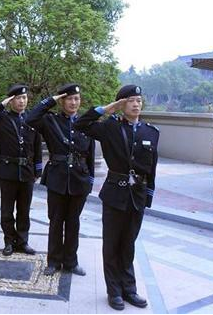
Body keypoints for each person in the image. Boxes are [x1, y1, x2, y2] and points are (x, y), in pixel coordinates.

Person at [74, 84, 159, 311]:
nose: (135, 104)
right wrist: (108, 108)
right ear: (122, 104)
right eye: (130, 100)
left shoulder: (151, 132)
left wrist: (148, 195)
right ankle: (114, 291)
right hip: (115, 193)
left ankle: (129, 289)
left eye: (138, 101)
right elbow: (80, 124)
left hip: (137, 195)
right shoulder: (110, 127)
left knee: (128, 244)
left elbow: (152, 168)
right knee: (112, 244)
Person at [26, 83, 95, 277]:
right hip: (57, 178)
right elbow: (31, 118)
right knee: (56, 221)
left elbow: (90, 154)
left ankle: (71, 262)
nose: (74, 102)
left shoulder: (86, 123)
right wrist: (51, 100)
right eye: (69, 99)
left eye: (77, 99)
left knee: (73, 222)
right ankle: (54, 261)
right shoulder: (50, 121)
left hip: (79, 179)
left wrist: (89, 181)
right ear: (62, 101)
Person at [0, 84, 42, 256]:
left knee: (24, 210)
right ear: (11, 100)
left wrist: (38, 169)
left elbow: (36, 145)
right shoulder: (2, 118)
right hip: (7, 171)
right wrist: (1, 105)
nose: (22, 101)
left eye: (24, 98)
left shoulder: (32, 119)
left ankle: (23, 241)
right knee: (7, 211)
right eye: (18, 98)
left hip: (27, 171)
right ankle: (9, 241)